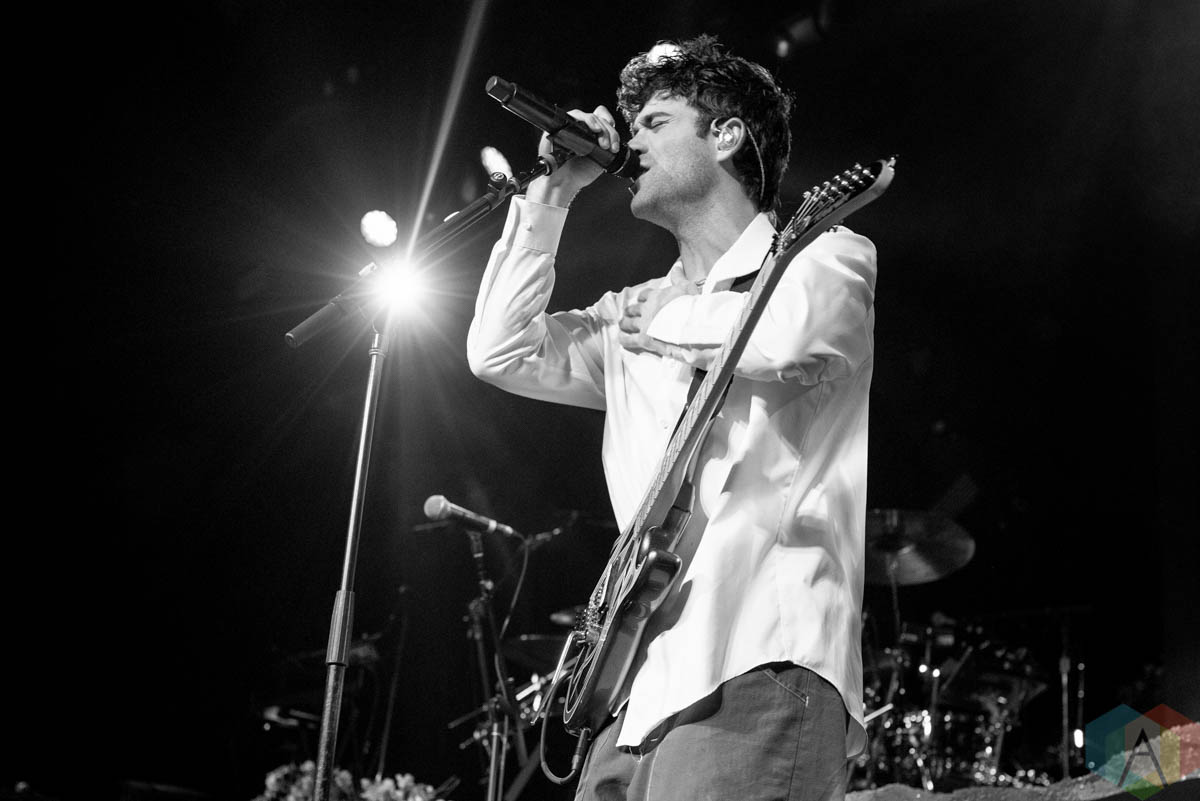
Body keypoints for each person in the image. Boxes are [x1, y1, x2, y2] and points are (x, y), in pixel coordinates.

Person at [467, 35, 877, 801]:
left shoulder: (825, 256)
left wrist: (668, 323)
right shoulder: (631, 312)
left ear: (726, 136)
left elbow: (789, 337)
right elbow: (499, 350)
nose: (632, 144)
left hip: (757, 656)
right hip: (631, 691)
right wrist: (550, 196)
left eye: (655, 123)